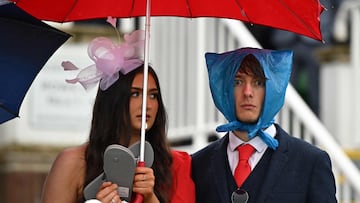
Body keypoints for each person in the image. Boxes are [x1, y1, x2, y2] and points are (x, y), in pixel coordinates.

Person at [41, 30, 195, 203]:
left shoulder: (175, 165)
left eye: (153, 95)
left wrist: (150, 198)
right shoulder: (73, 162)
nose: (147, 104)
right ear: (113, 102)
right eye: (135, 94)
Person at [191, 47, 337, 203]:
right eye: (237, 82)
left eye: (258, 82)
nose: (247, 92)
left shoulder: (310, 162)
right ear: (224, 89)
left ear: (274, 88)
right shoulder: (198, 165)